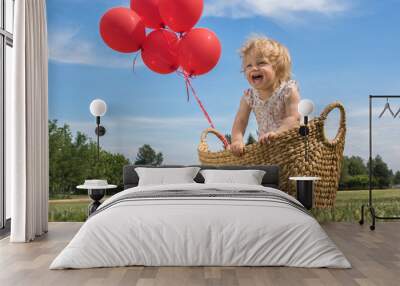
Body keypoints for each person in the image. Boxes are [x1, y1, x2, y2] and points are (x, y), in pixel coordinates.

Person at [230, 35, 301, 156]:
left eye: (261, 63)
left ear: (277, 68)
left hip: (291, 146)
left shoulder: (288, 90)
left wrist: (278, 133)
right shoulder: (249, 96)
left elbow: (294, 118)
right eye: (249, 65)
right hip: (267, 148)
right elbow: (240, 121)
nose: (254, 68)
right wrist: (237, 140)